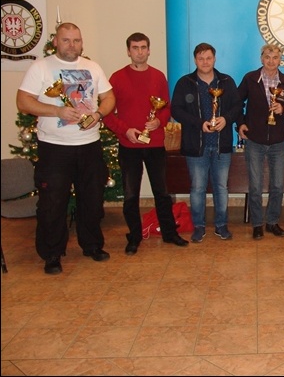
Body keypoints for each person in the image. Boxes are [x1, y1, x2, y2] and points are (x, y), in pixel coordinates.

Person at [16, 22, 116, 275]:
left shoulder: (92, 67)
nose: (72, 45)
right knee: (53, 203)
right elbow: (23, 101)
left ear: (82, 43)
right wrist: (56, 111)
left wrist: (99, 114)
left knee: (92, 200)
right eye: (66, 40)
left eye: (76, 40)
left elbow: (109, 97)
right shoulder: (40, 67)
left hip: (89, 145)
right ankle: (52, 253)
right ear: (56, 42)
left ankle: (92, 245)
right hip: (54, 148)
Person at [102, 32, 189, 255]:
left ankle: (169, 233)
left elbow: (167, 108)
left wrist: (159, 121)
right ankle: (134, 236)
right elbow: (106, 113)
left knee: (162, 192)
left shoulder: (158, 77)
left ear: (149, 50)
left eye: (143, 47)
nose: (140, 52)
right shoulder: (117, 78)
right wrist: (125, 130)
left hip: (155, 144)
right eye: (135, 48)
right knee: (131, 195)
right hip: (129, 145)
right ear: (128, 51)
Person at [171, 42, 242, 243]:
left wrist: (226, 119)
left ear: (214, 59)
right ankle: (199, 226)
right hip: (196, 145)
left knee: (221, 187)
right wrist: (199, 124)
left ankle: (221, 225)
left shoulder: (226, 81)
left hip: (221, 145)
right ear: (195, 60)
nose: (205, 62)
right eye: (201, 58)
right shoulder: (185, 83)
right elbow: (176, 110)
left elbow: (238, 106)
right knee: (197, 188)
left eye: (208, 58)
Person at [237, 44, 284, 240]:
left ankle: (272, 222)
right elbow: (237, 102)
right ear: (261, 58)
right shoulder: (250, 79)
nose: (271, 61)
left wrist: (283, 110)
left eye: (275, 57)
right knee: (255, 186)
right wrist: (240, 123)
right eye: (267, 57)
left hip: (278, 142)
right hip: (255, 140)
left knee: (277, 185)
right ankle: (257, 224)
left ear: (280, 60)